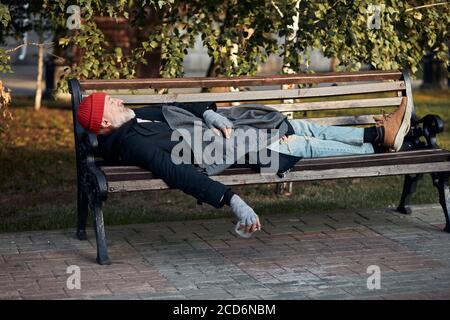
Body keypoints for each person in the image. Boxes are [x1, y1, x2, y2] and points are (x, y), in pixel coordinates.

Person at [76, 93, 411, 238]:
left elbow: (174, 106)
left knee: (298, 128)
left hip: (233, 133)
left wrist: (208, 113)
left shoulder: (133, 118)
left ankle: (379, 134)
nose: (118, 99)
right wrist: (234, 201)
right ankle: (377, 144)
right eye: (111, 102)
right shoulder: (134, 141)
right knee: (299, 142)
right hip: (244, 153)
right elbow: (177, 173)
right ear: (105, 119)